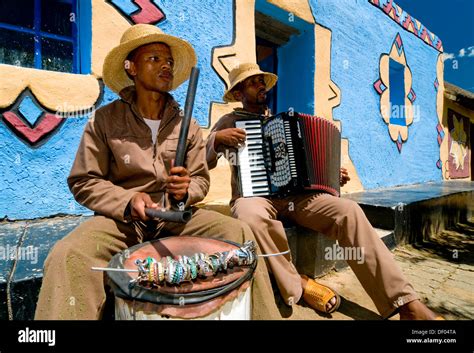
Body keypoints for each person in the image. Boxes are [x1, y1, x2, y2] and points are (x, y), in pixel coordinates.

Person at [35, 26, 280, 320]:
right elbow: (84, 180)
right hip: (122, 222)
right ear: (132, 68)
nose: (166, 65)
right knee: (69, 254)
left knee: (238, 232)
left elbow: (201, 178)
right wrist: (126, 200)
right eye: (154, 58)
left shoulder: (185, 123)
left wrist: (186, 190)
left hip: (176, 219)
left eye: (169, 61)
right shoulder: (105, 119)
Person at [206, 62, 442, 319]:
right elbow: (203, 159)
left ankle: (406, 303)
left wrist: (330, 175)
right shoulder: (229, 121)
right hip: (255, 197)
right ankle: (301, 284)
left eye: (262, 81)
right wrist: (216, 140)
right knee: (249, 216)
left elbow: (306, 163)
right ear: (239, 93)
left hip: (296, 197)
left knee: (348, 210)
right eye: (253, 82)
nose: (261, 85)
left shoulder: (281, 120)